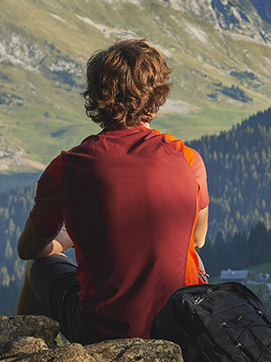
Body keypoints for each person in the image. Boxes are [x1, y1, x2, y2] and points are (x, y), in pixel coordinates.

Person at [14, 39, 210, 344]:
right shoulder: (188, 159)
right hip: (181, 327)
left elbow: (28, 250)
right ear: (156, 95)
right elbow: (197, 238)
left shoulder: (68, 167)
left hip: (102, 332)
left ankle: (22, 350)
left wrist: (65, 239)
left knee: (38, 269)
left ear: (97, 97)